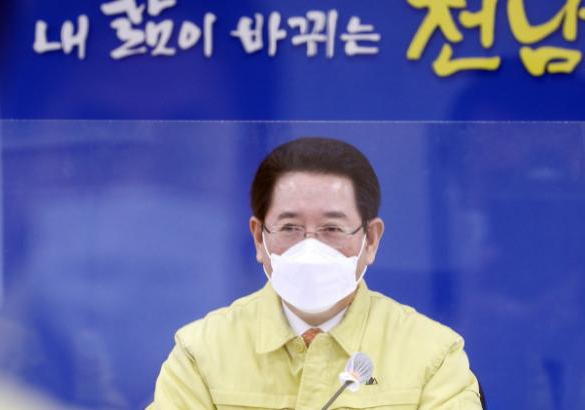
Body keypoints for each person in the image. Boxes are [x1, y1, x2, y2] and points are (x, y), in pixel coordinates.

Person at [148, 137, 483, 409]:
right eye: (290, 227)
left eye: (332, 228)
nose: (310, 249)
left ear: (371, 239)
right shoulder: (201, 353)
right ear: (259, 237)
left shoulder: (432, 356)